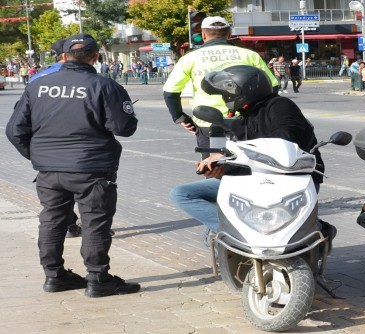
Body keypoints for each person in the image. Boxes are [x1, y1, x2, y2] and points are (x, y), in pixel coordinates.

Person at [5, 33, 140, 297]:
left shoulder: (37, 85)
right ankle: (98, 279)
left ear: (64, 56)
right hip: (91, 169)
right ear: (96, 57)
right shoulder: (104, 85)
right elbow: (124, 128)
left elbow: (15, 130)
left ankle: (54, 276)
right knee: (95, 223)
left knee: (52, 222)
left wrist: (39, 156)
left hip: (49, 171)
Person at [169, 65, 337, 250]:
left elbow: (281, 144)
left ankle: (317, 228)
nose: (225, 99)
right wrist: (222, 165)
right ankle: (233, 232)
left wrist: (227, 157)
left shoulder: (280, 107)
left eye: (227, 94)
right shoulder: (245, 117)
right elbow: (244, 155)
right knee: (182, 194)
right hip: (253, 181)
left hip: (292, 180)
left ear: (244, 90)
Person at [163, 16, 278, 158]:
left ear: (203, 35)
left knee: (214, 169)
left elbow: (170, 92)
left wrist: (180, 117)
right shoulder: (249, 55)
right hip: (247, 122)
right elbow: (272, 86)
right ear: (229, 34)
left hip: (208, 123)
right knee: (249, 169)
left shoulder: (190, 58)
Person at [29, 38, 85, 238]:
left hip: (47, 150)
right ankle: (93, 227)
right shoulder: (85, 75)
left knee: (56, 193)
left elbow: (20, 123)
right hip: (83, 152)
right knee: (88, 191)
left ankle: (71, 225)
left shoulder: (39, 77)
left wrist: (34, 153)